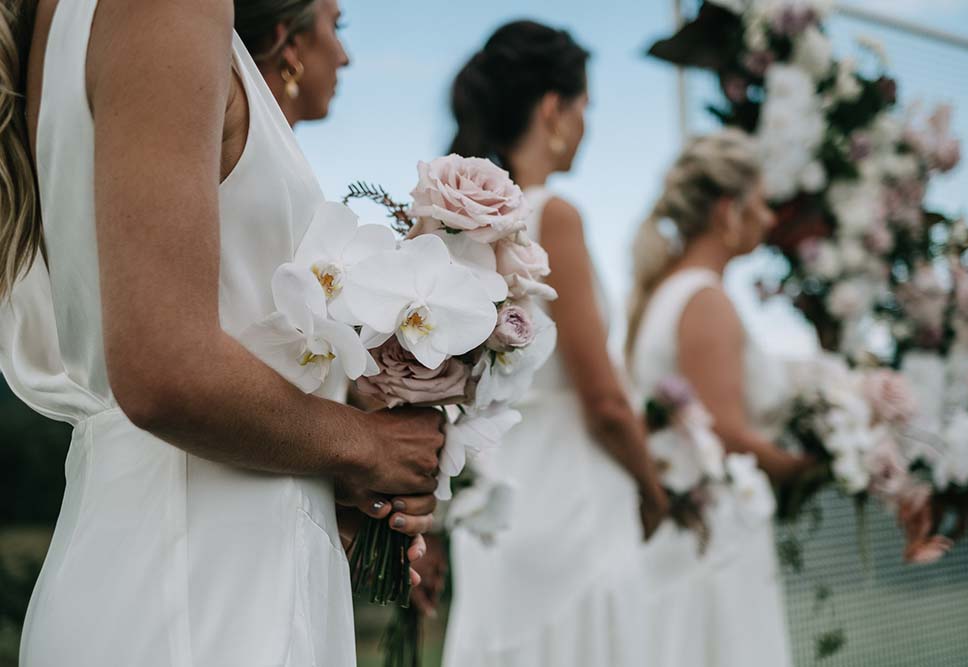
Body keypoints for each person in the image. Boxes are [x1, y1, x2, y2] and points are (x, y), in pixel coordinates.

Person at [0, 1, 440, 664]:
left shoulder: (71, 27)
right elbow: (165, 369)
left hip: (170, 552)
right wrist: (367, 445)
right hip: (200, 589)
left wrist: (317, 481)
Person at [440, 20, 668, 667]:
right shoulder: (551, 217)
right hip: (576, 512)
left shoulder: (459, 231)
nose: (588, 123)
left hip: (498, 515)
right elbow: (603, 398)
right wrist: (653, 490)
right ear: (553, 109)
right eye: (585, 105)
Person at [628, 129, 809, 666]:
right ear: (729, 210)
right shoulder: (704, 299)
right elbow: (726, 437)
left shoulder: (668, 292)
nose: (771, 218)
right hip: (715, 540)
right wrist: (804, 467)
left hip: (692, 529)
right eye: (762, 203)